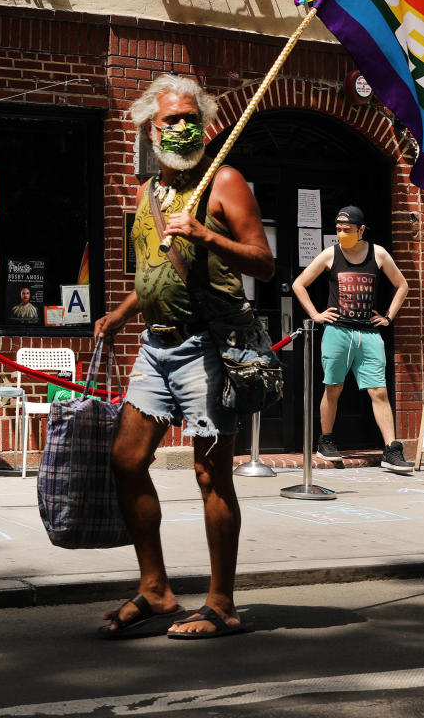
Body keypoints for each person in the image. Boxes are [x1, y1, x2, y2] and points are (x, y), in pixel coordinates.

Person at [94, 74, 274, 639]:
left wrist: (206, 235)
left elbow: (264, 264)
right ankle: (156, 589)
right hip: (157, 346)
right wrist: (123, 313)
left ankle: (222, 602)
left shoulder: (225, 182)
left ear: (207, 125)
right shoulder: (149, 193)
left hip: (209, 345)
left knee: (209, 471)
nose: (181, 126)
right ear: (153, 129)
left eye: (190, 117)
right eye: (170, 119)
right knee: (126, 459)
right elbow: (153, 270)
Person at [292, 205, 412, 473]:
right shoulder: (330, 254)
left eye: (347, 229)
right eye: (338, 229)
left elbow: (402, 285)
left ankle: (391, 449)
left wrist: (389, 317)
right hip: (338, 332)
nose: (342, 234)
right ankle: (326, 441)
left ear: (361, 230)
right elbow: (299, 284)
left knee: (379, 391)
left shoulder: (377, 253)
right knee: (333, 387)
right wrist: (315, 314)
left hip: (369, 333)